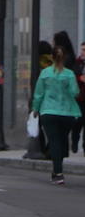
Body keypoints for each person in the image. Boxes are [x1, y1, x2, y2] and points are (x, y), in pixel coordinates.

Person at [31, 43, 82, 185]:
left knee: (53, 141)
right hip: (67, 112)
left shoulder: (45, 73)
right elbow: (75, 92)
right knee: (61, 139)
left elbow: (39, 93)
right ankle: (57, 168)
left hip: (48, 111)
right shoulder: (69, 74)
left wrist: (35, 109)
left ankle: (58, 172)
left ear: (52, 57)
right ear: (64, 57)